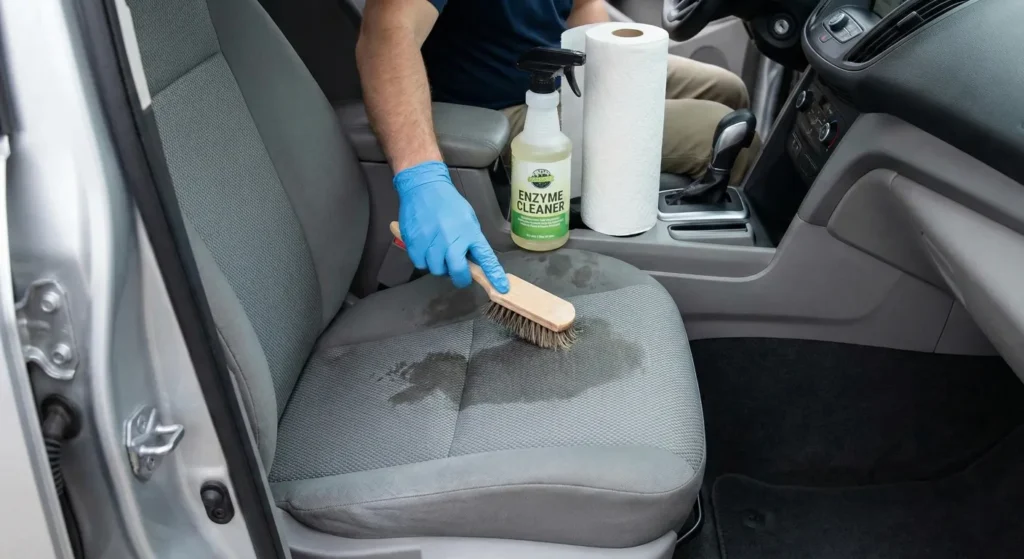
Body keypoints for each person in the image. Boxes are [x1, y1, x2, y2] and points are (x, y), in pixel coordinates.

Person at [356, 0, 759, 291]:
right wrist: (422, 178)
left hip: (564, 68)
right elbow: (387, 32)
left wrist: (606, 78)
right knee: (715, 130)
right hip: (499, 108)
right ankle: (731, 277)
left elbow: (584, 6)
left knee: (727, 89)